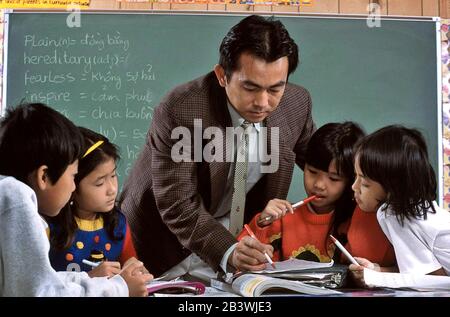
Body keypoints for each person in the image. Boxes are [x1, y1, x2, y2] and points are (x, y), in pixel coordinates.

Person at [119, 15, 315, 279]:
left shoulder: (295, 104)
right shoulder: (182, 110)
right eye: (250, 87)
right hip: (160, 243)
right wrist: (228, 251)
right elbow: (177, 202)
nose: (263, 102)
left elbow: (323, 162)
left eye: (275, 88)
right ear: (222, 76)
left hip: (234, 243)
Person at [0, 103, 151, 296]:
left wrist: (90, 279)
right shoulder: (16, 200)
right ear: (44, 176)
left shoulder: (9, 196)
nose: (73, 187)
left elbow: (44, 281)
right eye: (73, 176)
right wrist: (119, 288)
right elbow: (43, 292)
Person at [238, 122, 364, 264]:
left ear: (353, 180)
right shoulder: (282, 218)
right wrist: (261, 224)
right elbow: (241, 260)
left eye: (333, 178)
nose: (319, 185)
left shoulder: (360, 221)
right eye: (312, 171)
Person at [350, 125, 450, 285]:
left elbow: (433, 283)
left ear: (392, 186)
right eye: (356, 177)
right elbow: (425, 275)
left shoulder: (392, 213)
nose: (354, 187)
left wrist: (375, 278)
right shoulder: (417, 208)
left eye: (365, 183)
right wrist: (376, 270)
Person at [48, 127, 150, 278]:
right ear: (72, 184)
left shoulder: (118, 224)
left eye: (113, 176)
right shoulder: (48, 228)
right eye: (99, 183)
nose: (112, 189)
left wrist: (136, 271)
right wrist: (90, 278)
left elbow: (130, 264)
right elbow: (38, 285)